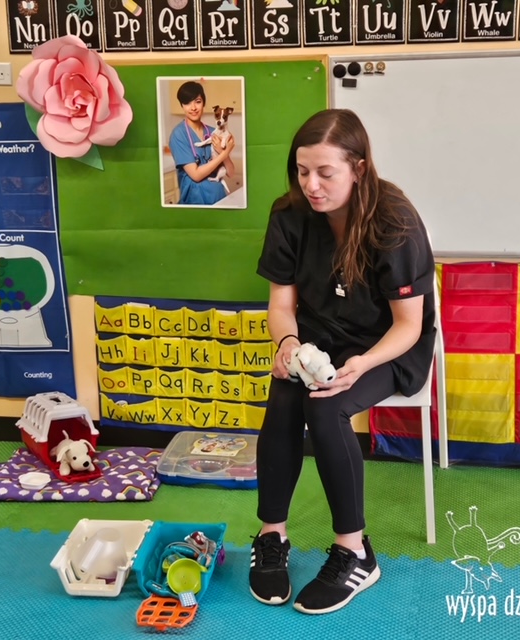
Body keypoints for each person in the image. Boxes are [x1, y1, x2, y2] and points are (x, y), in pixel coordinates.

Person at [249, 109, 436, 615]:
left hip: (387, 347)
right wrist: (287, 345)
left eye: (325, 173)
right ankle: (272, 536)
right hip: (319, 337)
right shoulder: (288, 214)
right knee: (285, 393)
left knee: (326, 407)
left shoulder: (394, 221)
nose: (311, 185)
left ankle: (355, 551)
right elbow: (282, 305)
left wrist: (363, 363)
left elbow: (408, 325)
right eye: (302, 171)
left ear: (358, 167)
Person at [168, 81, 235, 205]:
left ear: (204, 103)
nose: (193, 107)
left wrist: (222, 152)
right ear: (182, 105)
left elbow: (231, 173)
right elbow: (196, 175)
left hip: (219, 198)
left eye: (198, 101)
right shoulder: (178, 135)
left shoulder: (213, 132)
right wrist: (224, 153)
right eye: (187, 103)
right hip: (195, 201)